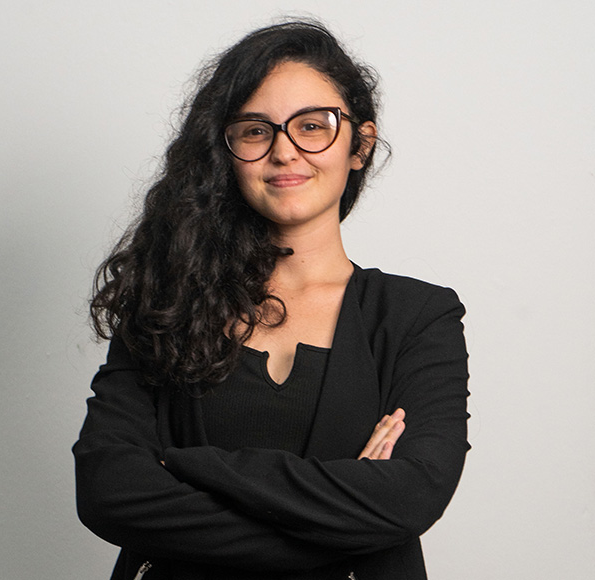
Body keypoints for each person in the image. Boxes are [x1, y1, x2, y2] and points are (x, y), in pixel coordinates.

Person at [73, 20, 470, 580]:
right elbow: (108, 491)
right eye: (256, 131)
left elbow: (411, 496)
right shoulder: (166, 303)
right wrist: (346, 516)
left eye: (312, 126)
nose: (285, 151)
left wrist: (189, 467)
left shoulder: (418, 316)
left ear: (360, 145)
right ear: (226, 151)